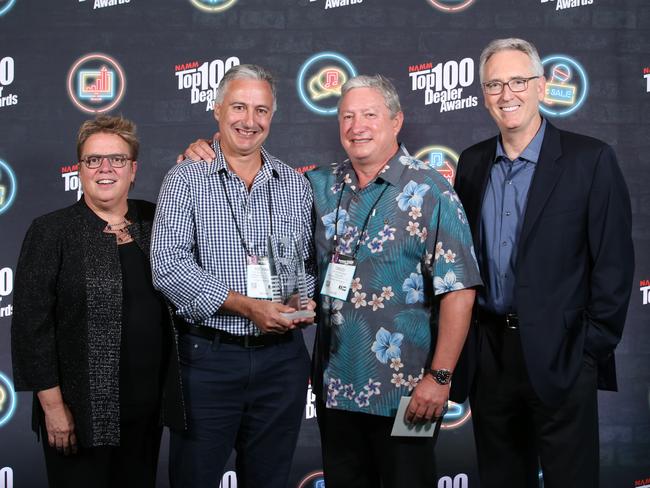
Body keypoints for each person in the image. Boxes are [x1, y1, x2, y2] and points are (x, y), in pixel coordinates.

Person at [452, 38, 634, 488]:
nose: (505, 94)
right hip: (490, 355)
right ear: (482, 94)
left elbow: (613, 265)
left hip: (563, 353)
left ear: (542, 86)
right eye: (494, 84)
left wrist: (587, 351)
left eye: (517, 81)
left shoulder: (589, 159)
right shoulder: (473, 163)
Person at [151, 64, 316, 488]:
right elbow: (168, 266)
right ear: (217, 109)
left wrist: (303, 301)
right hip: (209, 361)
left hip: (282, 361)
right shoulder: (185, 178)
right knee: (195, 478)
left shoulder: (294, 186)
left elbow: (303, 266)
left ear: (272, 117)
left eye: (261, 110)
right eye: (239, 107)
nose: (249, 121)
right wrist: (246, 306)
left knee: (270, 479)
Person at [11, 115, 185, 488]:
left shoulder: (154, 221)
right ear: (80, 169)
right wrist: (54, 409)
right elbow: (31, 328)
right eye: (93, 160)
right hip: (78, 415)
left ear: (133, 169)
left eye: (117, 159)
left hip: (146, 412)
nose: (105, 168)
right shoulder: (51, 231)